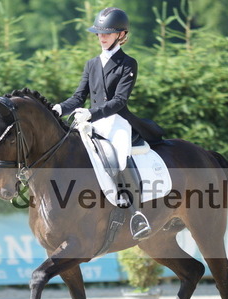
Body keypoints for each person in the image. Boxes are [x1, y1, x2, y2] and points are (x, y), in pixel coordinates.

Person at [52, 7, 159, 240]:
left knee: (119, 156)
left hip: (116, 121)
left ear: (121, 35)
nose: (101, 37)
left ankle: (136, 214)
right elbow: (78, 97)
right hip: (90, 121)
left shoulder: (128, 64)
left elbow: (119, 101)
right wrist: (59, 108)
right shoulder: (91, 64)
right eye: (99, 33)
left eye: (107, 33)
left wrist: (91, 113)